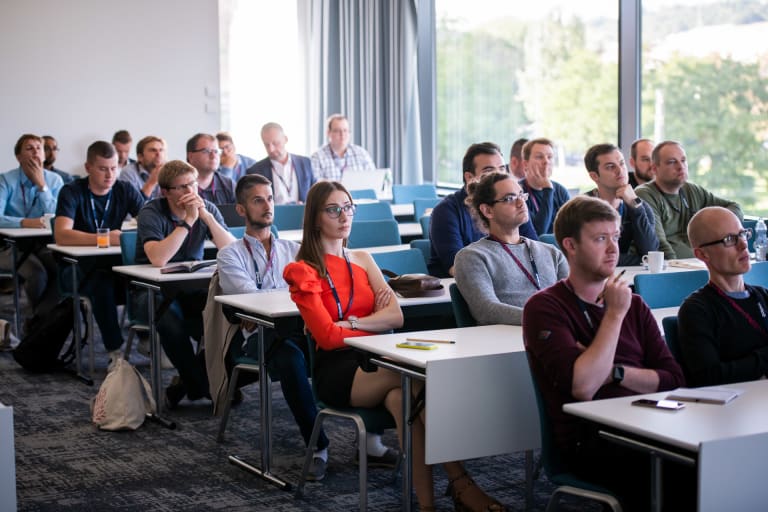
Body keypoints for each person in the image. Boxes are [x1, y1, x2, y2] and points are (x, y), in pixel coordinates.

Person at [284, 181, 504, 512]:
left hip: (380, 357)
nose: (344, 216)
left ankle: (427, 505)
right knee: (418, 377)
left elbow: (396, 317)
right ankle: (462, 483)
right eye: (333, 209)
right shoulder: (303, 270)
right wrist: (373, 325)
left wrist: (353, 324)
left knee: (405, 399)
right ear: (315, 217)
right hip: (339, 370)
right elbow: (328, 338)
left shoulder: (362, 258)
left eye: (348, 207)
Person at [523, 195, 690, 511]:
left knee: (716, 460)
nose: (614, 248)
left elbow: (673, 379)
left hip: (650, 422)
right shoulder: (545, 307)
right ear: (570, 245)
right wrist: (613, 314)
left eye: (615, 237)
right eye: (601, 239)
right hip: (590, 440)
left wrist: (614, 370)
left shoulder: (634, 304)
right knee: (680, 473)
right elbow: (584, 387)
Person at [215, 174, 329, 480]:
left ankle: (370, 441)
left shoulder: (293, 249)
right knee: (290, 357)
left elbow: (316, 290)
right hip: (257, 337)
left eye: (270, 198)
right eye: (258, 200)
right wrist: (291, 295)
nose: (267, 206)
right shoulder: (230, 254)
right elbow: (248, 303)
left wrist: (279, 298)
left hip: (297, 330)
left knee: (343, 346)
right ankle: (318, 447)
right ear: (241, 210)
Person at [135, 160, 235, 407]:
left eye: (192, 184)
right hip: (152, 288)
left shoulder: (206, 207)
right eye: (181, 187)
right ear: (166, 192)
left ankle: (191, 382)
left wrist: (208, 218)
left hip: (191, 286)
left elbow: (233, 250)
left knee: (229, 314)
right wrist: (188, 222)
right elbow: (158, 258)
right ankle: (200, 384)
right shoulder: (151, 211)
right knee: (170, 321)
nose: (190, 192)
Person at [54, 141, 145, 363]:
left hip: (112, 266)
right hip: (75, 268)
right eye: (103, 168)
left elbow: (149, 222)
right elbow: (62, 234)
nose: (110, 175)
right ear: (88, 168)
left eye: (114, 168)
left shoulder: (124, 189)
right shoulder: (72, 191)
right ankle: (116, 352)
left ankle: (147, 338)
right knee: (101, 282)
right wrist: (103, 239)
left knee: (144, 282)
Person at [454, 171, 568, 325]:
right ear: (488, 210)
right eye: (509, 199)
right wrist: (543, 318)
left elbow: (573, 299)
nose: (521, 203)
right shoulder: (472, 257)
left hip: (557, 334)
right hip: (508, 341)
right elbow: (486, 310)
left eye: (521, 195)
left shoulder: (551, 252)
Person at [678, 206, 768, 386]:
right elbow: (709, 377)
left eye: (743, 234)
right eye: (729, 239)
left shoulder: (763, 296)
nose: (743, 245)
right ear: (702, 254)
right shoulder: (697, 310)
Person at [428, 142, 538, 277]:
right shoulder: (445, 211)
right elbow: (458, 268)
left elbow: (535, 253)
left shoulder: (513, 206)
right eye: (489, 171)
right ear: (469, 177)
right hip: (462, 291)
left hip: (511, 281)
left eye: (502, 169)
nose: (498, 176)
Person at [635, 140, 743, 259]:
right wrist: (676, 271)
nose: (680, 166)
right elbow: (659, 246)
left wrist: (713, 228)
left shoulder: (692, 190)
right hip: (673, 270)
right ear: (655, 169)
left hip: (701, 265)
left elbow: (735, 208)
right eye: (671, 162)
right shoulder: (645, 194)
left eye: (683, 160)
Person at [0, 134, 63, 318]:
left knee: (65, 271)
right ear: (19, 157)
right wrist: (28, 223)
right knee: (38, 274)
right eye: (29, 148)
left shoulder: (55, 181)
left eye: (39, 148)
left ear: (44, 155)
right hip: (9, 246)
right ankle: (35, 322)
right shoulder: (5, 180)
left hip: (43, 244)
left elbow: (58, 217)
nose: (36, 151)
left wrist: (42, 186)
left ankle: (41, 317)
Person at [583, 143, 659, 265]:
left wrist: (636, 207)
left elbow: (650, 253)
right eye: (610, 167)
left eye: (622, 163)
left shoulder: (639, 205)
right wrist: (638, 260)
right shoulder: (582, 208)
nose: (620, 171)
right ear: (594, 176)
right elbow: (589, 258)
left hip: (626, 277)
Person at [247, 122, 316, 204]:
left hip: (303, 214)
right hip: (274, 216)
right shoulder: (255, 171)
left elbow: (315, 193)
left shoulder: (305, 163)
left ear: (285, 139)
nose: (271, 149)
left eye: (275, 143)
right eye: (266, 145)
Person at [518, 138, 570, 235]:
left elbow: (573, 228)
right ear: (525, 164)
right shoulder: (518, 192)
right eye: (539, 157)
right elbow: (538, 233)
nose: (546, 162)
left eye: (549, 157)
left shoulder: (560, 190)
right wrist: (548, 190)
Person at [310, 114, 376, 181]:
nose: (342, 134)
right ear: (328, 133)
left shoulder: (361, 153)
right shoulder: (317, 157)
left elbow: (373, 178)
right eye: (337, 131)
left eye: (345, 130)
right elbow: (316, 185)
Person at [186, 133, 235, 205]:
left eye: (216, 151)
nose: (213, 156)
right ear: (190, 156)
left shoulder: (229, 185)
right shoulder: (180, 186)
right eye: (206, 151)